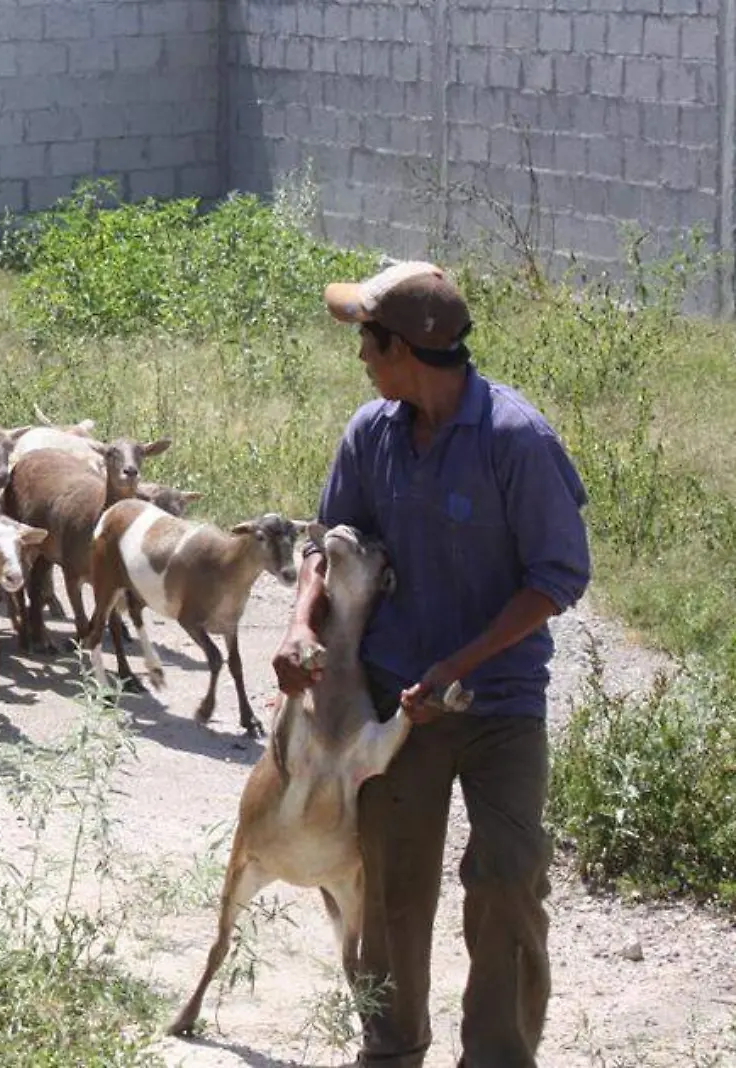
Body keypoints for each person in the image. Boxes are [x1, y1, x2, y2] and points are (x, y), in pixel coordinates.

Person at [273, 260, 591, 1067]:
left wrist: (462, 661)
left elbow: (556, 578)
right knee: (392, 890)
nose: (359, 360)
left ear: (405, 349)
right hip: (395, 709)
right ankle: (391, 1052)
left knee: (507, 879)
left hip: (499, 704)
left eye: (366, 344)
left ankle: (498, 1055)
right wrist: (299, 623)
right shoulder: (371, 434)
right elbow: (329, 541)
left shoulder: (515, 440)